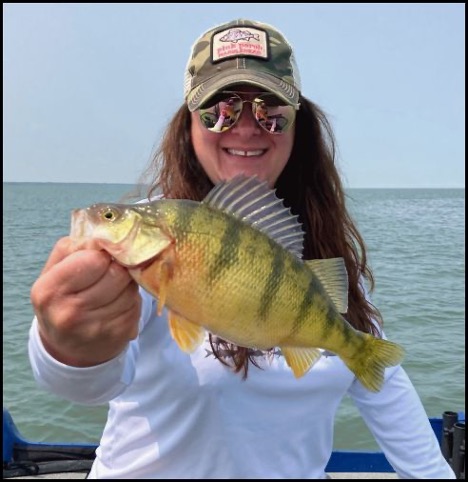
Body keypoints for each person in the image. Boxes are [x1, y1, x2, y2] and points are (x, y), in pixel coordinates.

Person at [29, 18, 455, 479]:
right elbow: (93, 383)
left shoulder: (322, 251)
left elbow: (382, 379)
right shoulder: (152, 238)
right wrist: (64, 343)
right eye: (220, 110)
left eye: (271, 111)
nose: (247, 128)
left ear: (298, 126)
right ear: (188, 125)